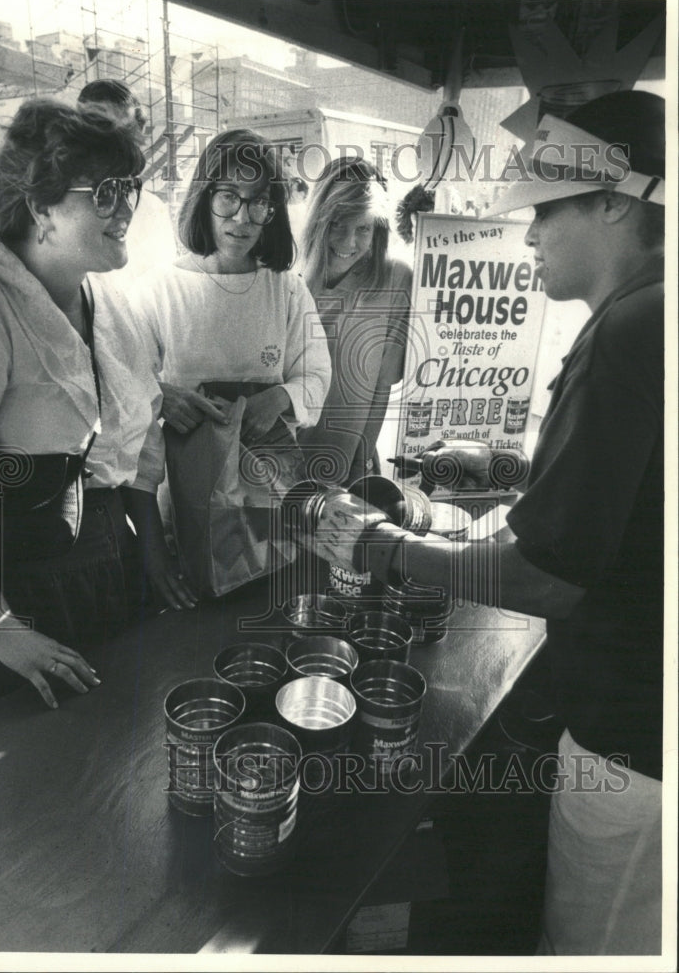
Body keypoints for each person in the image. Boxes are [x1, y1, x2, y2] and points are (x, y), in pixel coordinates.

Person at [312, 90, 665, 955]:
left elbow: (546, 578)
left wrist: (385, 547)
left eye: (546, 211)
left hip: (634, 737)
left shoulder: (628, 331)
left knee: (592, 940)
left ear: (615, 202)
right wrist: (503, 480)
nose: (531, 234)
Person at [0, 98, 164, 746]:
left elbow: (130, 447)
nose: (126, 206)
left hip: (92, 578)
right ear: (41, 205)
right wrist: (2, 632)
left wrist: (150, 558)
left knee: (98, 768)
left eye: (130, 186)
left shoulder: (107, 300)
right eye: (105, 191)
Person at [131, 128, 331, 594]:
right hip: (188, 489)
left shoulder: (284, 288)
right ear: (204, 197)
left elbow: (316, 372)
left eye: (259, 202)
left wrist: (280, 397)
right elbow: (126, 384)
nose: (242, 218)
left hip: (269, 486)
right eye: (228, 198)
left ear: (273, 211)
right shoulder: (159, 288)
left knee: (266, 586)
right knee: (197, 600)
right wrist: (160, 395)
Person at [297, 157, 413, 486]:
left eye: (363, 229)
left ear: (378, 228)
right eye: (338, 225)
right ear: (319, 221)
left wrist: (361, 459)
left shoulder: (396, 279)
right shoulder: (286, 276)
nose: (349, 243)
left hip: (348, 462)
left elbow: (382, 387)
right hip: (278, 455)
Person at [77, 78, 177, 293]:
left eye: (127, 132)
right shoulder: (70, 202)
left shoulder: (152, 208)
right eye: (101, 128)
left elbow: (163, 287)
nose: (115, 144)